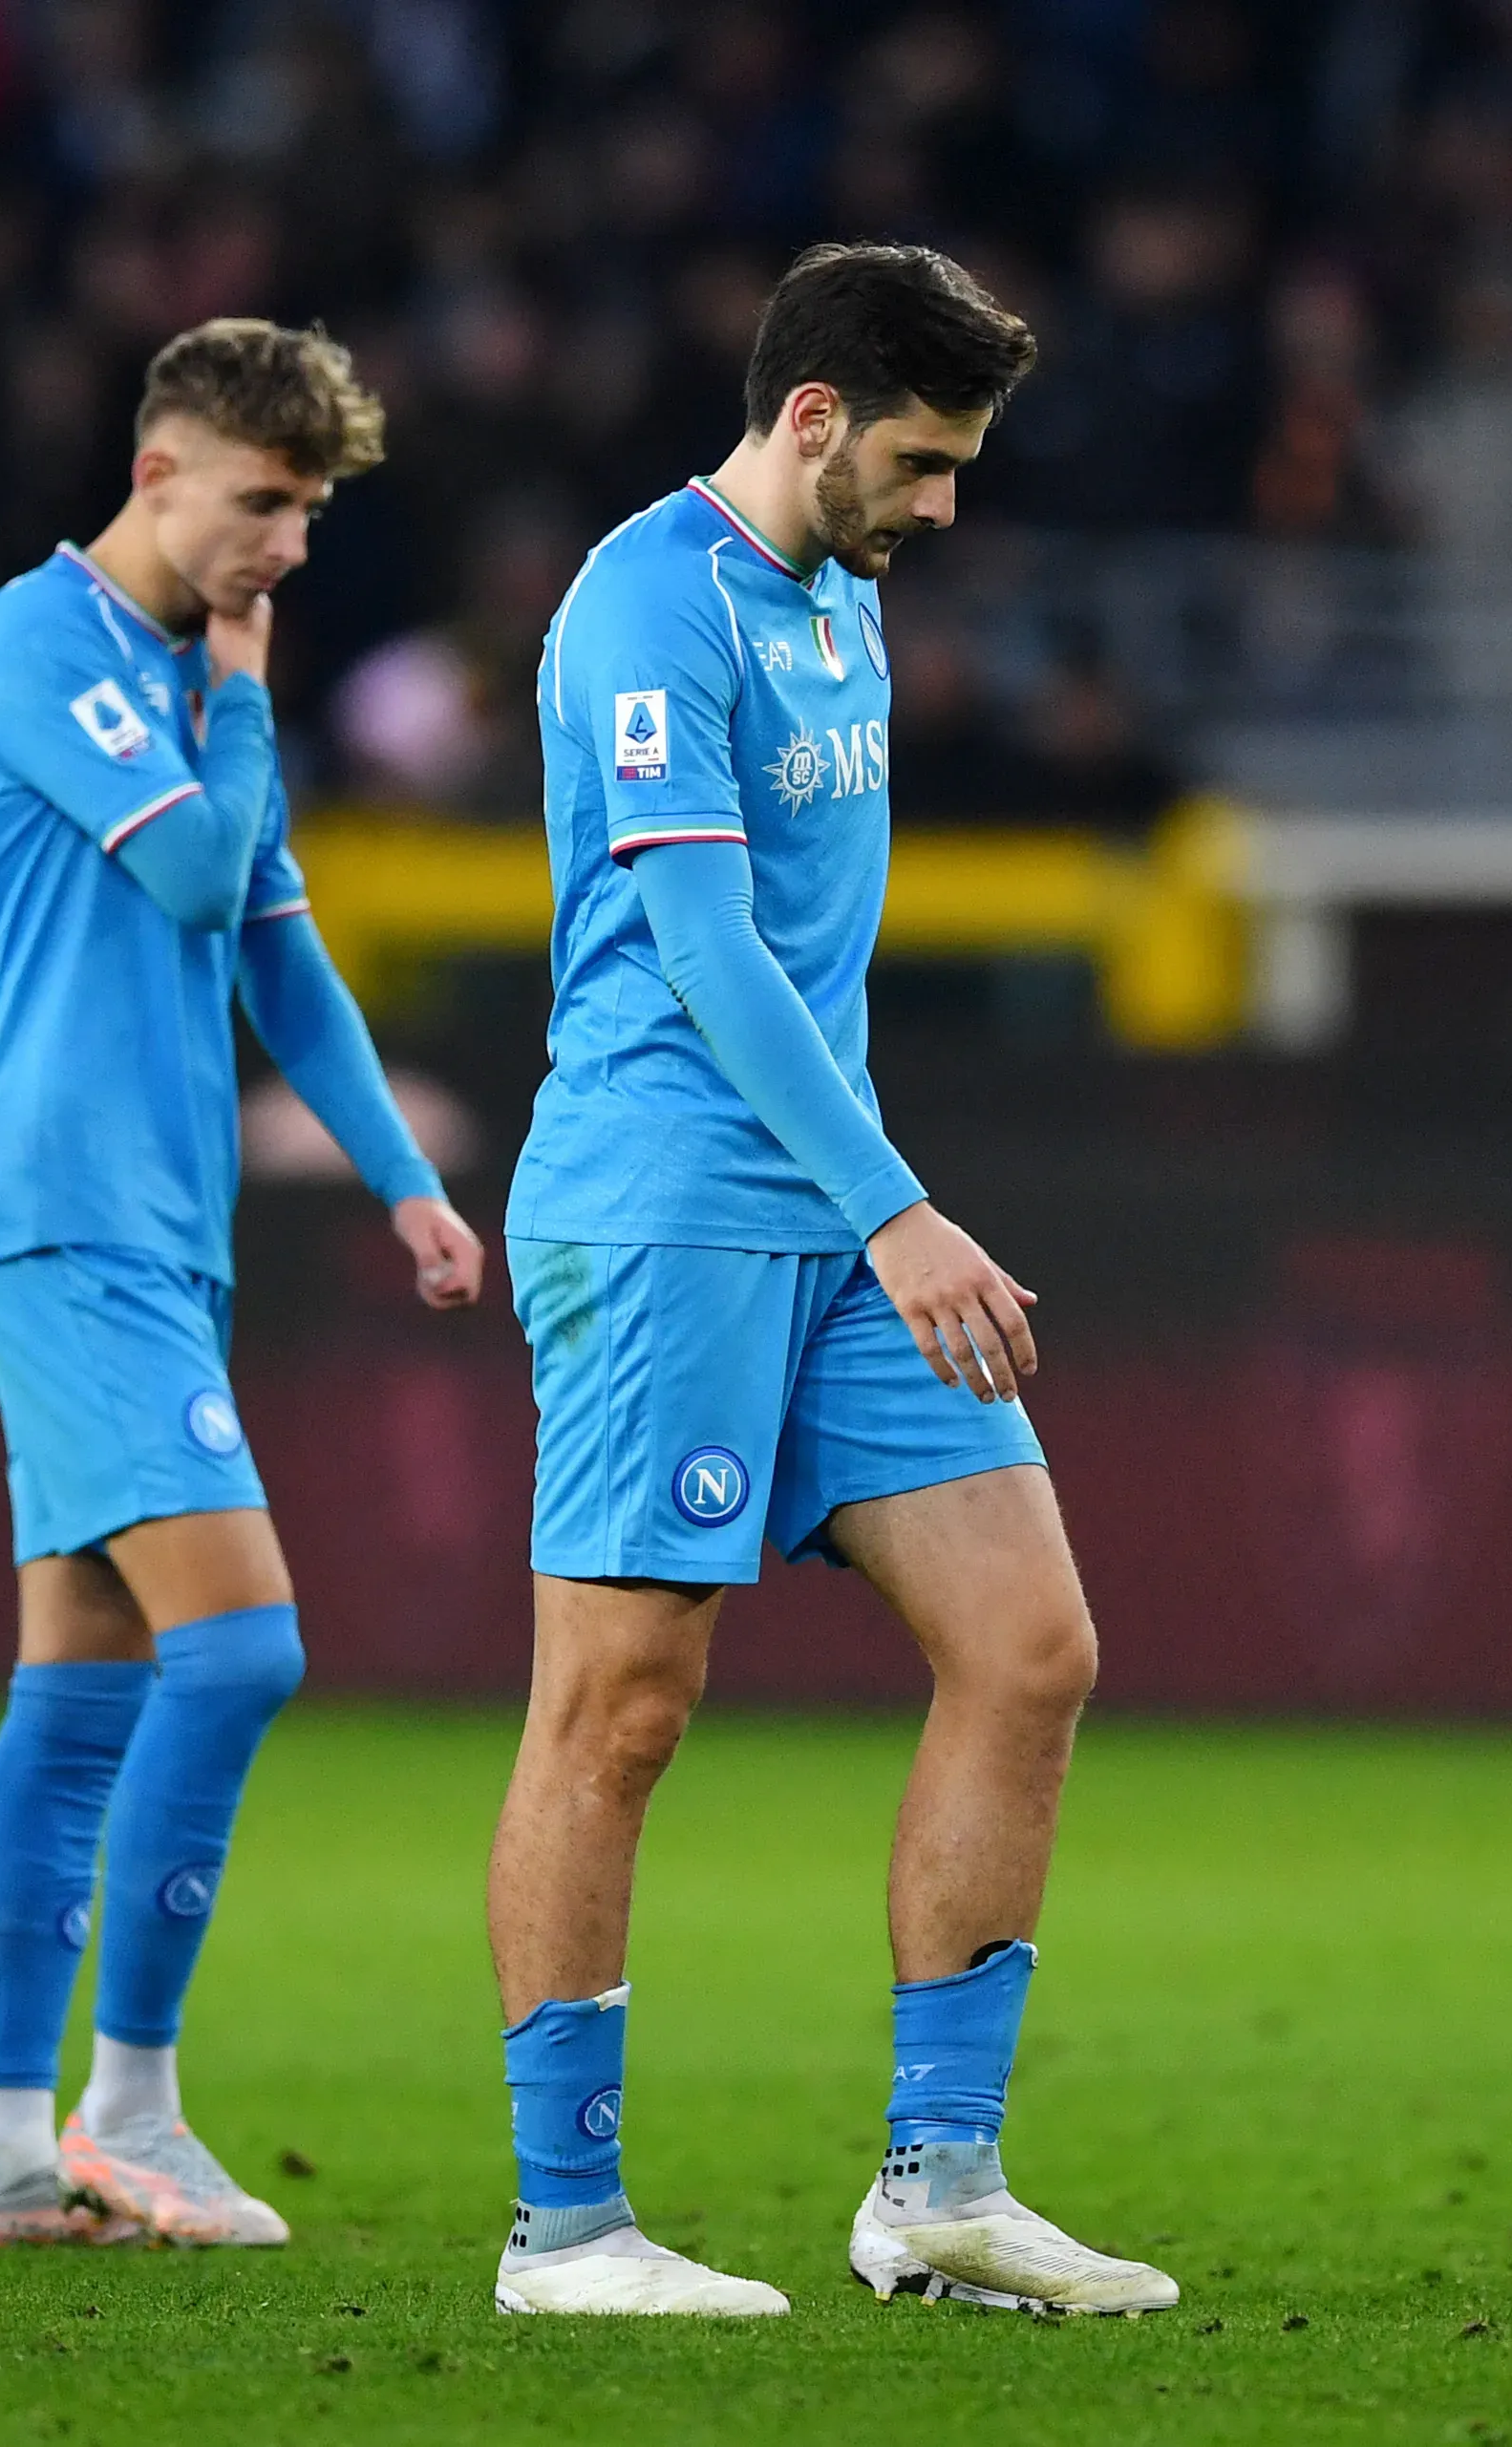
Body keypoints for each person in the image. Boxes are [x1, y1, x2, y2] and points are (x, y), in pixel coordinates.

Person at [483, 243, 1178, 2319]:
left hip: (825, 1211)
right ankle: (567, 2231)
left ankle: (939, 2190)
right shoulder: (643, 603)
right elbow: (703, 954)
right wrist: (897, 1204)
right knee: (619, 1707)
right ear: (810, 418)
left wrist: (863, 1204)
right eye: (924, 459)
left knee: (1031, 1646)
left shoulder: (841, 603)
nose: (944, 505)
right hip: (664, 1210)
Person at [0, 320, 483, 2250]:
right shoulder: (40, 643)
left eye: (310, 514)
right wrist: (241, 692)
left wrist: (405, 1183)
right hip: (56, 1210)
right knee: (240, 1649)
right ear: (158, 470)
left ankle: (2, 2156)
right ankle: (133, 2110)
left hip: (156, 1225)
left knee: (77, 1686)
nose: (289, 550)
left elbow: (279, 958)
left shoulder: (181, 677)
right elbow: (188, 884)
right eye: (264, 505)